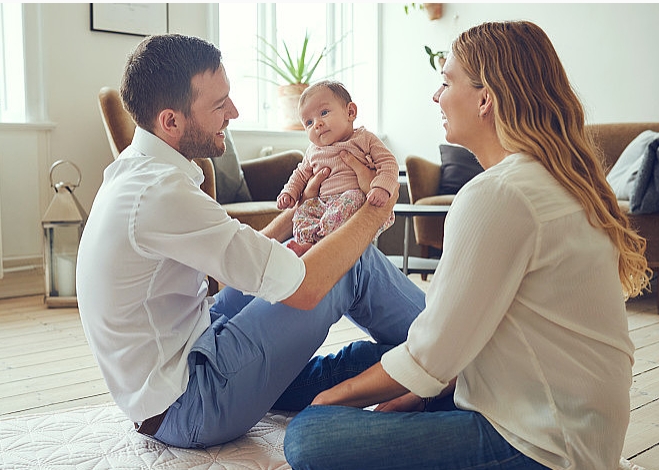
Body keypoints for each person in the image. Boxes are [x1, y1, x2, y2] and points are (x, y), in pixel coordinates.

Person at [283, 20, 651, 470]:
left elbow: (432, 353)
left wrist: (329, 401)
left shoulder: (501, 194)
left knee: (308, 436)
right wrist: (416, 388)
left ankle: (290, 394)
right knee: (370, 357)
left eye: (445, 81)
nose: (436, 96)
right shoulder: (556, 182)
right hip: (554, 410)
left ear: (485, 99)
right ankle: (273, 387)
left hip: (540, 443)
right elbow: (461, 338)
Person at [75, 34, 426, 449]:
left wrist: (302, 209)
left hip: (186, 356)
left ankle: (415, 365)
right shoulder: (160, 193)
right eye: (219, 104)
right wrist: (375, 210)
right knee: (350, 262)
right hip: (192, 402)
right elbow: (307, 286)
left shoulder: (135, 172)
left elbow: (242, 250)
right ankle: (454, 353)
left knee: (327, 259)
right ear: (171, 121)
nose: (234, 112)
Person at [277, 80, 399, 256]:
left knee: (352, 198)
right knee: (301, 212)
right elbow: (300, 175)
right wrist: (289, 192)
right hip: (322, 203)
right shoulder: (313, 151)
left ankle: (323, 244)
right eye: (309, 122)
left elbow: (388, 162)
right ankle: (309, 244)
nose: (317, 124)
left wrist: (381, 187)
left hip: (352, 200)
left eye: (324, 113)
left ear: (350, 112)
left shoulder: (364, 139)